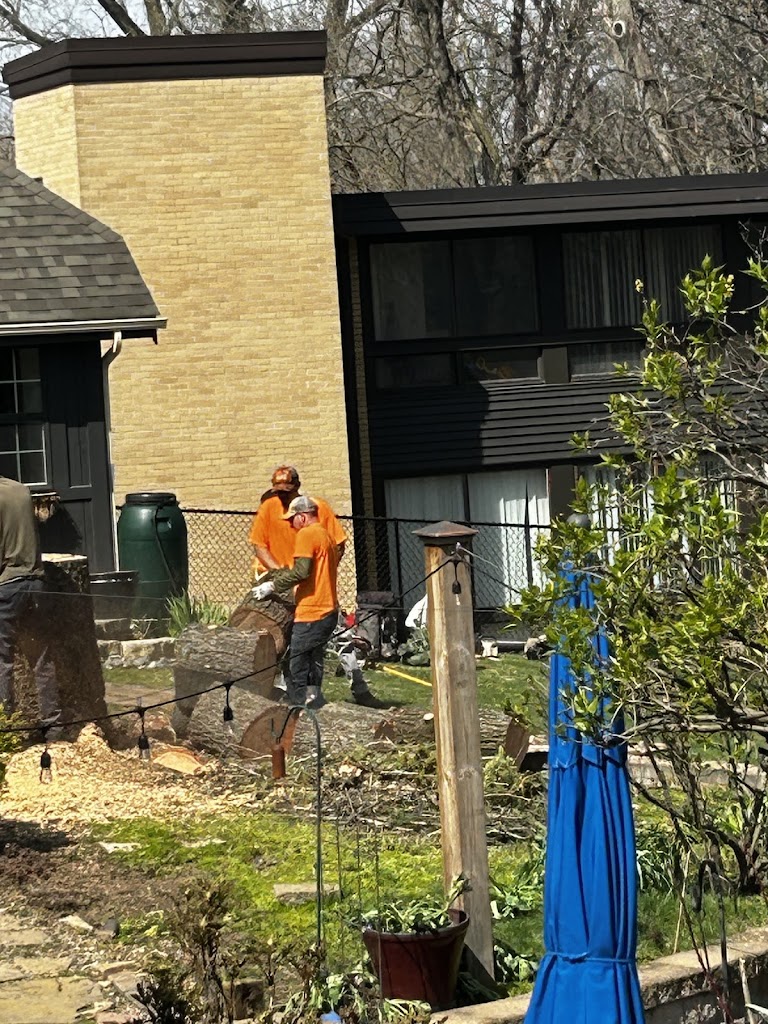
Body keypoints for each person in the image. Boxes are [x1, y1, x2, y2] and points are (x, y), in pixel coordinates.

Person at [249, 466, 385, 707]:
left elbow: (321, 558)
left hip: (312, 600)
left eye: (286, 492)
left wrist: (286, 581)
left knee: (307, 654)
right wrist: (280, 576)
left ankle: (308, 702)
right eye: (278, 492)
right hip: (297, 590)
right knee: (304, 651)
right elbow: (259, 546)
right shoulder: (271, 509)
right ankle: (308, 698)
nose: (281, 497)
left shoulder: (312, 522)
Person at [252, 496, 340, 708]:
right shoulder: (325, 535)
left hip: (312, 611)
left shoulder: (307, 534)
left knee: (295, 664)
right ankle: (314, 700)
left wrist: (272, 586)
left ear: (302, 516)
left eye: (292, 519)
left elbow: (302, 572)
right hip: (328, 610)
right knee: (313, 660)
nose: (291, 525)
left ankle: (300, 706)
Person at [0, 476, 60, 727]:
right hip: (36, 583)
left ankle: (6, 725)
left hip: (8, 587)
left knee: (2, 659)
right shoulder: (21, 490)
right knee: (42, 658)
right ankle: (53, 726)